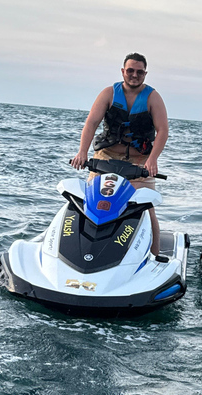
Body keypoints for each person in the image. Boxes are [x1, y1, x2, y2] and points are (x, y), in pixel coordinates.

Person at [70, 52, 169, 257]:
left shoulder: (152, 97)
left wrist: (152, 160)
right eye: (130, 71)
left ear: (145, 74)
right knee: (91, 201)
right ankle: (80, 250)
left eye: (139, 72)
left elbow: (163, 131)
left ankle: (154, 255)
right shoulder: (109, 93)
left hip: (139, 162)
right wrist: (82, 152)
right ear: (123, 71)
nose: (134, 75)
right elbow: (91, 123)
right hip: (106, 157)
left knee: (146, 208)